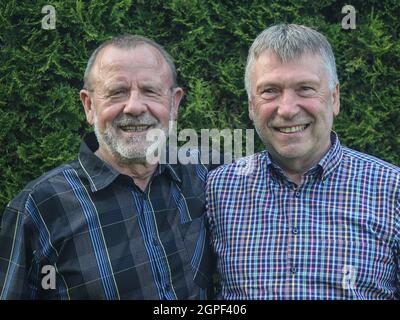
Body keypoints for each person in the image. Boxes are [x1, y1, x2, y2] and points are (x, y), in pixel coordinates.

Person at [0, 35, 214, 299]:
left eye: (150, 91)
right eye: (117, 92)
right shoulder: (40, 208)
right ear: (89, 106)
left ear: (174, 103)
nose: (134, 106)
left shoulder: (201, 173)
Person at [206, 24, 400, 300]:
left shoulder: (392, 190)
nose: (286, 109)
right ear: (251, 105)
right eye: (270, 91)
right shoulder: (218, 190)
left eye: (305, 89)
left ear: (334, 98)